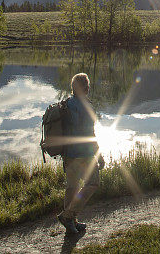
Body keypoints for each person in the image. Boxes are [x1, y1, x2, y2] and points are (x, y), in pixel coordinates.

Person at [57, 72, 105, 235]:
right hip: (83, 153)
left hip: (68, 153)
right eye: (88, 85)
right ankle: (68, 216)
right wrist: (99, 156)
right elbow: (89, 134)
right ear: (85, 88)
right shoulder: (86, 106)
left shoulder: (67, 104)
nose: (89, 88)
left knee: (72, 187)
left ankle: (71, 221)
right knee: (93, 183)